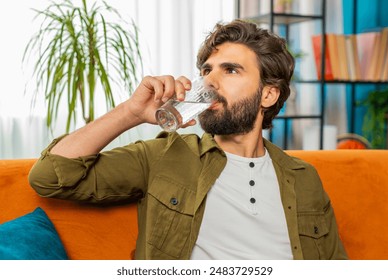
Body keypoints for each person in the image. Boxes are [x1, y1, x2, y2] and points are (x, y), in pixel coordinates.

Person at [28, 19, 347, 260]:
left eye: (231, 70)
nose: (209, 81)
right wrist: (132, 113)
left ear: (267, 94)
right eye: (207, 70)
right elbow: (50, 177)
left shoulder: (303, 179)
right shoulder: (165, 154)